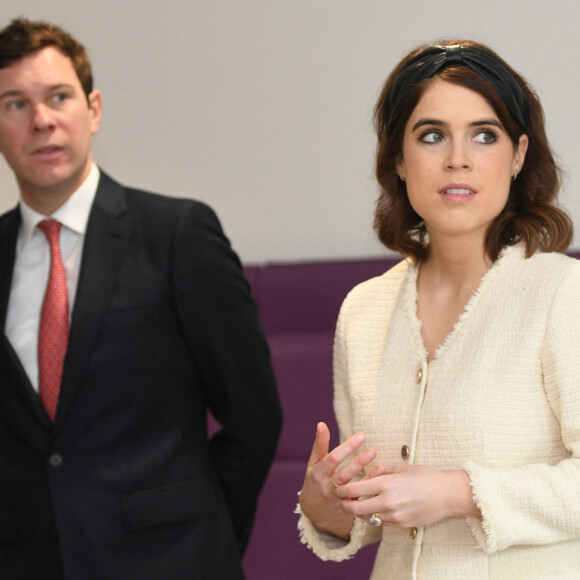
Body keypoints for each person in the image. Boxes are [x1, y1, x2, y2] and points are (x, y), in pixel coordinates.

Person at [0, 17, 282, 580]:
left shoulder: (177, 233)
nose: (41, 121)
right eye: (14, 104)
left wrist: (209, 540)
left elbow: (254, 416)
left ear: (94, 109)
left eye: (58, 96)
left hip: (171, 561)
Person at [297, 39, 580, 578]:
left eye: (484, 135)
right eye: (432, 136)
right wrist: (326, 508)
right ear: (399, 160)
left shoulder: (564, 294)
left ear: (518, 155)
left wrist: (459, 491)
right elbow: (379, 512)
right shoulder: (364, 310)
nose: (458, 159)